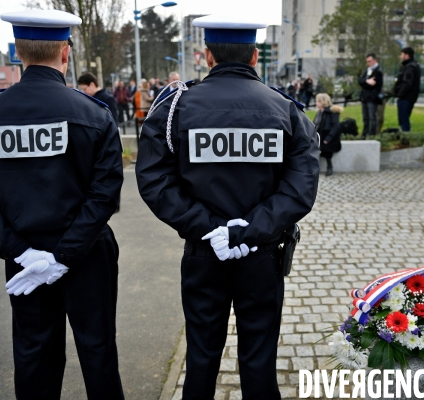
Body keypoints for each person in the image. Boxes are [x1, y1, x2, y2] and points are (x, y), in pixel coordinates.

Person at [136, 14, 319, 400]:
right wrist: (247, 231)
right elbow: (300, 187)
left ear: (207, 56)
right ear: (255, 56)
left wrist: (211, 229)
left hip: (204, 254)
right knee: (258, 358)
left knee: (201, 356)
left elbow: (154, 181)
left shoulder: (175, 108)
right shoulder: (286, 110)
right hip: (262, 256)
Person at [0, 9, 124, 399]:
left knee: (34, 354)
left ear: (18, 52)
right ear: (65, 54)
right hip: (87, 256)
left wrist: (21, 251)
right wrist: (65, 253)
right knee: (97, 350)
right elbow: (104, 196)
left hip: (23, 258)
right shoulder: (95, 115)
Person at [392, 47, 421, 132]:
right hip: (408, 96)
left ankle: (406, 137)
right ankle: (405, 135)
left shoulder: (410, 67)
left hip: (406, 97)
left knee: (403, 119)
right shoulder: (409, 66)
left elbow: (407, 83)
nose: (400, 56)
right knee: (403, 119)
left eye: (402, 54)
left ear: (407, 55)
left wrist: (399, 94)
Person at [314, 93, 343, 176]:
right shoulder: (320, 112)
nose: (316, 103)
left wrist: (328, 138)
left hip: (329, 137)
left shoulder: (332, 112)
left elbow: (336, 126)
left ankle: (329, 167)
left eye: (317, 101)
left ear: (322, 102)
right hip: (320, 136)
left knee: (327, 152)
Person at [358, 53, 383, 139]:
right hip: (365, 97)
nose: (368, 63)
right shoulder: (368, 70)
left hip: (372, 98)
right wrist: (366, 81)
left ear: (375, 60)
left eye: (369, 61)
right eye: (367, 62)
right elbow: (360, 81)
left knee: (372, 117)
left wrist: (365, 82)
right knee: (365, 117)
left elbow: (372, 84)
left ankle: (372, 134)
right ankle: (365, 133)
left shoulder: (378, 71)